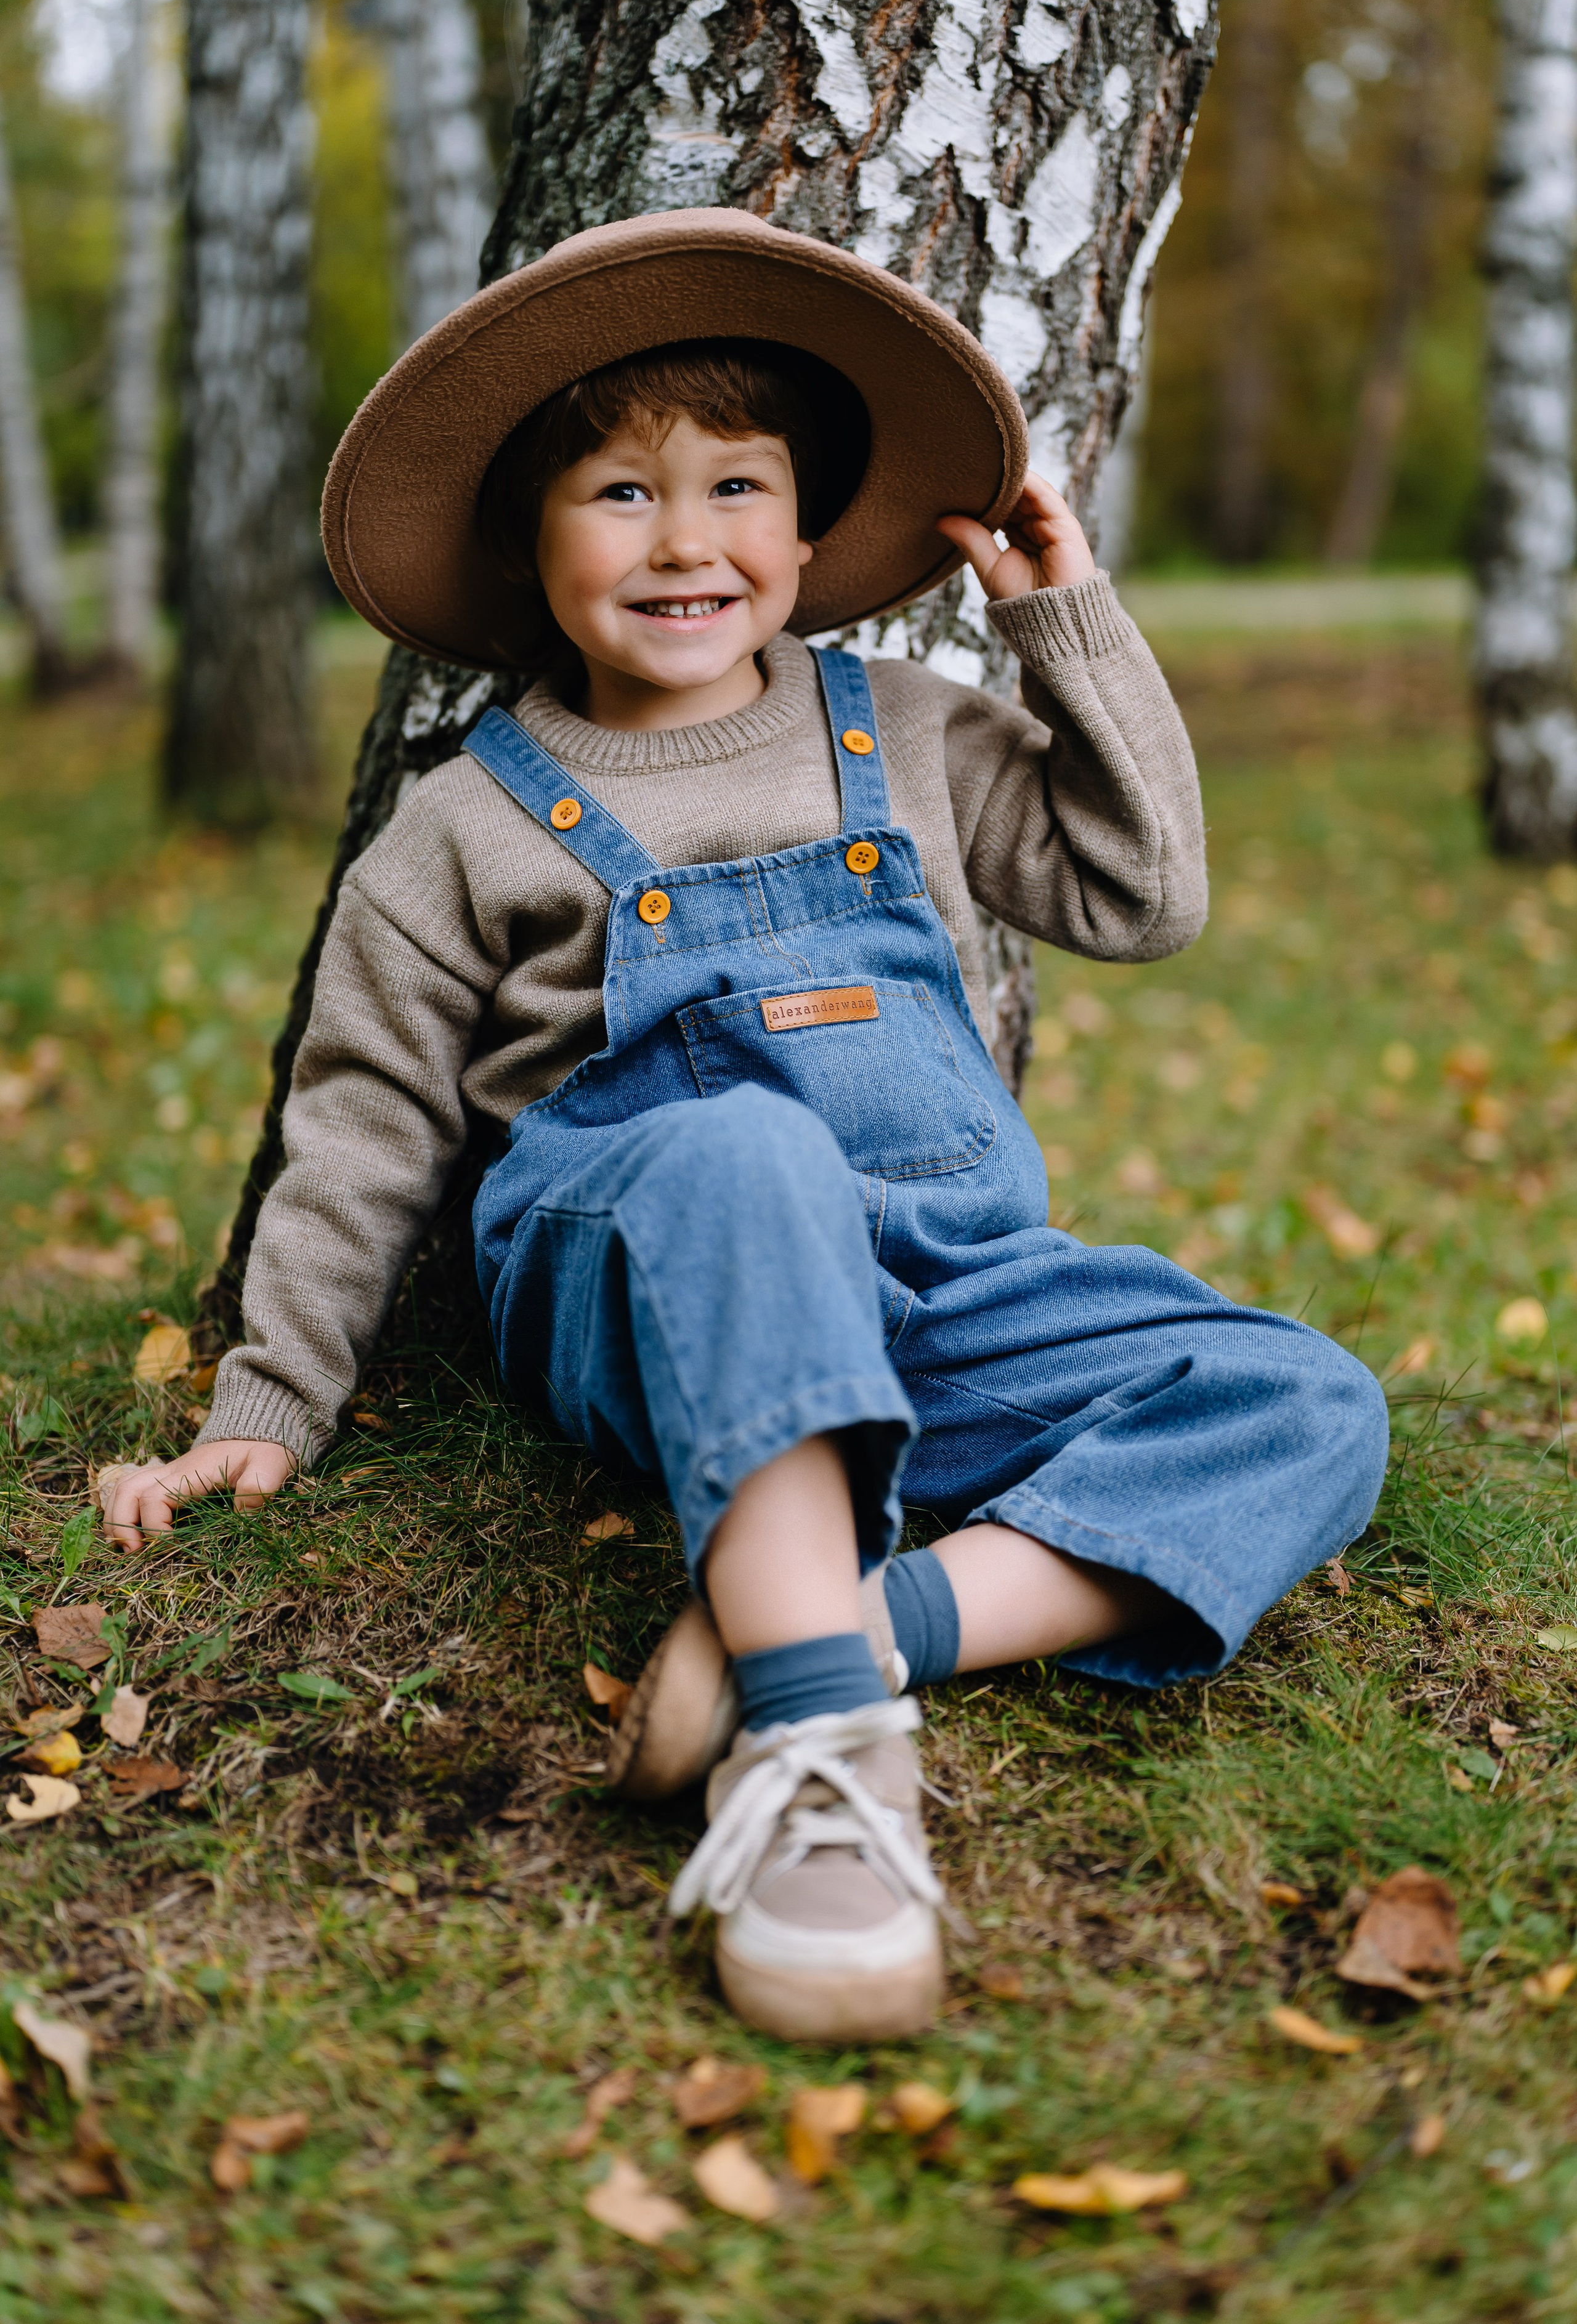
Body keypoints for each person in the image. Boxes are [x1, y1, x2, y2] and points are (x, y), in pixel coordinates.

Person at [100, 210, 1389, 2044]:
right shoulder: (465, 828)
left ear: (803, 532)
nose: (687, 541)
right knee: (744, 1141)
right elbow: (365, 1124)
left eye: (736, 486)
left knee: (1313, 1405)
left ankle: (845, 1631)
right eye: (620, 493)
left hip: (939, 1290)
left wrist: (1059, 621)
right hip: (650, 1275)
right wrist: (272, 1394)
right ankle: (824, 1770)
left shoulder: (913, 729)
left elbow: (1143, 889)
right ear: (528, 539)